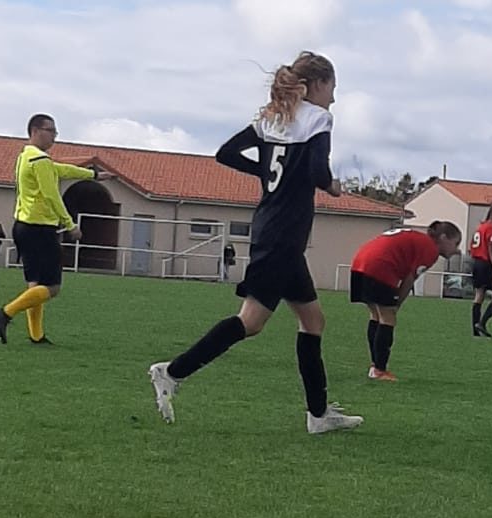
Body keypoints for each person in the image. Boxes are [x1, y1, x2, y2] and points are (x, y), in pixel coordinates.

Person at [148, 51, 363, 435]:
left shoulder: (270, 119)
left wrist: (263, 171)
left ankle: (318, 415)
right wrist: (330, 185)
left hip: (275, 230)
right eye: (332, 87)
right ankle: (173, 371)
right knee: (250, 323)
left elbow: (226, 153)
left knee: (313, 321)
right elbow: (318, 171)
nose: (334, 97)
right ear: (317, 85)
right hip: (283, 237)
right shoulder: (318, 118)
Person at [0, 114, 112, 345]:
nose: (54, 136)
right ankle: (5, 313)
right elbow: (51, 195)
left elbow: (62, 170)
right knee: (52, 287)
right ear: (35, 131)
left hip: (23, 227)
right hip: (40, 229)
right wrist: (69, 224)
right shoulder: (40, 160)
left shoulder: (26, 156)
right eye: (51, 131)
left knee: (35, 284)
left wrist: (93, 175)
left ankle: (36, 335)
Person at [350, 222, 461, 381]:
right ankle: (379, 370)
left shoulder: (419, 239)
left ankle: (375, 366)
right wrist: (397, 304)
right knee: (388, 317)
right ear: (443, 238)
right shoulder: (431, 249)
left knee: (376, 315)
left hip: (360, 262)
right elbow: (409, 280)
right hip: (380, 265)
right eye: (456, 243)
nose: (457, 249)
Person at [470, 205, 492, 337]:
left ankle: (475, 330)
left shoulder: (481, 227)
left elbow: (472, 247)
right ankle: (482, 323)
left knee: (479, 295)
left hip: (477, 263)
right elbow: (490, 248)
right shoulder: (491, 227)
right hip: (487, 264)